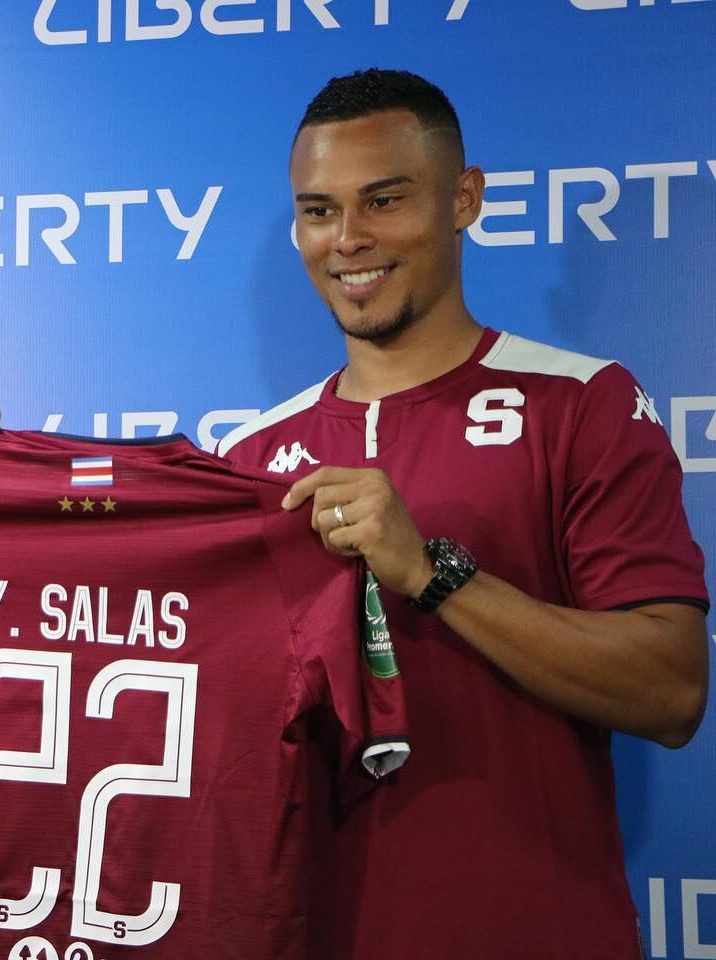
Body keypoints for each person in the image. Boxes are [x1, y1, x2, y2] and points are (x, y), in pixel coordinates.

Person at [221, 69, 709, 957]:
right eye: (320, 210)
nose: (349, 239)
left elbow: (671, 692)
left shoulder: (582, 404)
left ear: (464, 200)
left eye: (385, 200)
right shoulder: (253, 456)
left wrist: (433, 575)